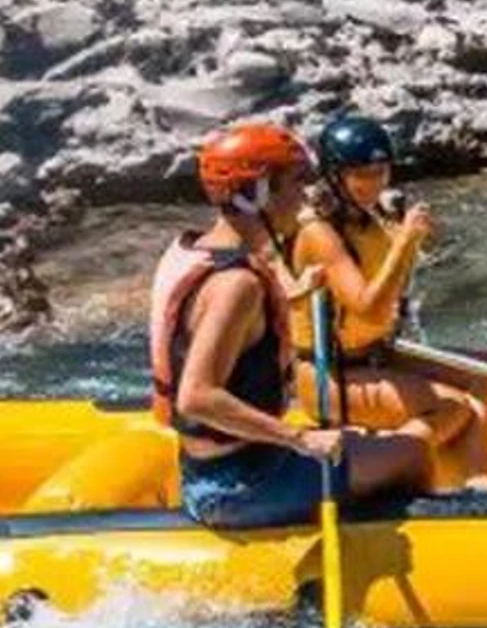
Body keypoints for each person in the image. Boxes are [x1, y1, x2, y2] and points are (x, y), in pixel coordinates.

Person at [149, 122, 432, 529]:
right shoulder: (238, 286)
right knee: (414, 453)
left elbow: (212, 324)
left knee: (372, 444)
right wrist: (299, 438)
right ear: (258, 193)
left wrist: (295, 294)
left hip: (220, 467)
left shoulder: (189, 248)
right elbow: (196, 398)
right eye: (296, 183)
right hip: (242, 485)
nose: (304, 197)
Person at [285, 115, 487, 490]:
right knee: (453, 407)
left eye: (381, 172)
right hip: (331, 376)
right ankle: (383, 461)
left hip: (376, 354)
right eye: (361, 175)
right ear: (335, 176)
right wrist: (403, 242)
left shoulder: (371, 218)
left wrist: (415, 241)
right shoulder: (319, 233)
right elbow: (368, 310)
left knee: (483, 370)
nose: (374, 183)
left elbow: (394, 285)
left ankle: (478, 476)